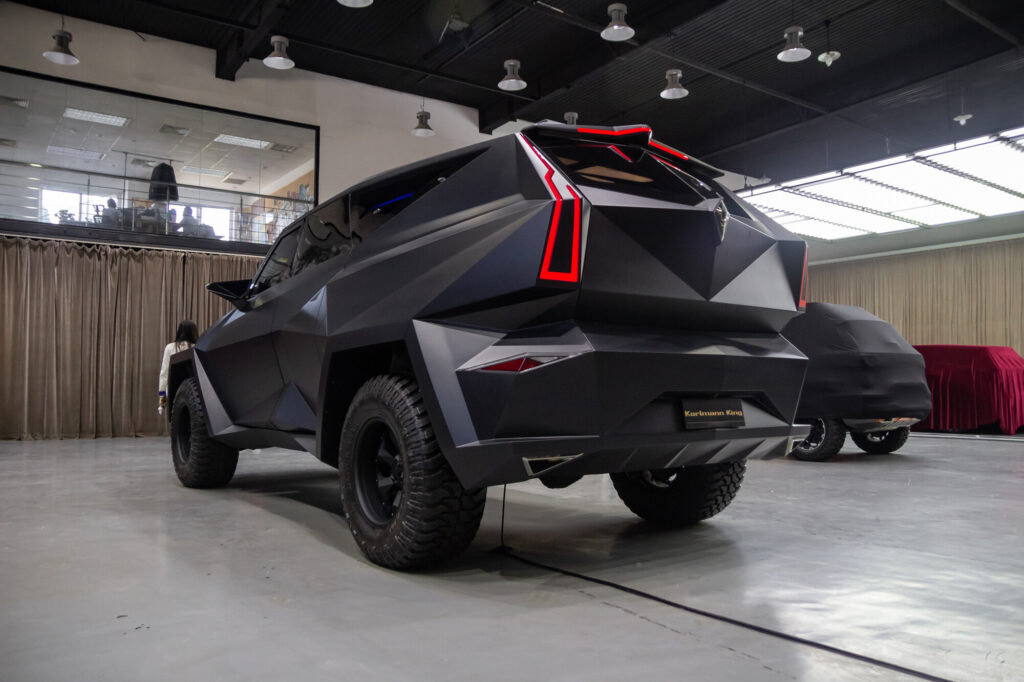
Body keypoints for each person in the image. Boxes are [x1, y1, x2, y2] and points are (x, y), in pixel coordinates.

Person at [158, 320, 199, 413]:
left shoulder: (170, 348)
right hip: (195, 392)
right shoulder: (198, 347)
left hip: (174, 391)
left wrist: (162, 398)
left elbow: (164, 374)